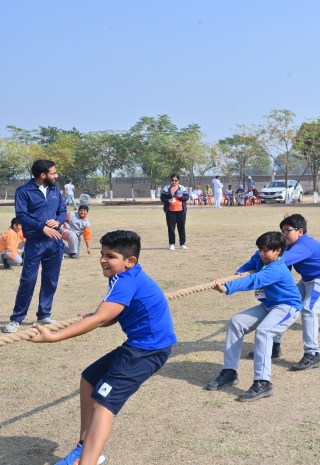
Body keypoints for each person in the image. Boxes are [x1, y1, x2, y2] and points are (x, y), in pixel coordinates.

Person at [30, 230, 177, 465]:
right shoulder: (127, 274)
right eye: (102, 254)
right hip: (142, 346)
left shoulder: (125, 280)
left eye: (111, 256)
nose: (103, 260)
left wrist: (54, 337)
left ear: (130, 261)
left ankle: (88, 460)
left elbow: (100, 319)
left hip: (146, 351)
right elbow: (111, 315)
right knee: (89, 379)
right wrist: (97, 316)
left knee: (103, 404)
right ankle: (84, 449)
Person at [206, 231, 303, 402]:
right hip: (268, 305)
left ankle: (263, 382)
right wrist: (240, 272)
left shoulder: (277, 268)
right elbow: (248, 266)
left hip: (287, 307)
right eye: (260, 250)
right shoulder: (260, 258)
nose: (261, 254)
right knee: (236, 322)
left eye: (266, 251)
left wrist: (226, 288)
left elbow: (254, 280)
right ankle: (230, 372)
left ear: (278, 251)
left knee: (264, 332)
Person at [3, 160, 66, 334]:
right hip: (35, 243)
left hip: (55, 242)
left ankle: (44, 314)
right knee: (28, 281)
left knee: (50, 280)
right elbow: (22, 216)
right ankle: (16, 318)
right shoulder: (23, 191)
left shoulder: (55, 190)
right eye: (53, 173)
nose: (56, 175)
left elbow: (63, 211)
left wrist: (58, 221)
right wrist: (42, 227)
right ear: (43, 175)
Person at [277, 214, 320, 370]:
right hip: (308, 280)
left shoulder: (304, 245)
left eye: (287, 231)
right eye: (282, 231)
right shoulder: (290, 245)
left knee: (309, 310)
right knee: (284, 305)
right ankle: (273, 345)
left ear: (300, 231)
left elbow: (280, 261)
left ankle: (312, 354)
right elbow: (283, 267)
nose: (284, 234)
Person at [160, 174, 189, 251]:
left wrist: (181, 197)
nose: (174, 182)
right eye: (172, 180)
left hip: (181, 210)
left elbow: (187, 197)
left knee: (181, 227)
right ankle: (172, 244)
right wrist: (168, 200)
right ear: (170, 180)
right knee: (171, 228)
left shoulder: (182, 188)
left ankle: (182, 244)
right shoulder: (166, 188)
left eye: (176, 180)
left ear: (178, 181)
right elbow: (162, 198)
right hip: (170, 211)